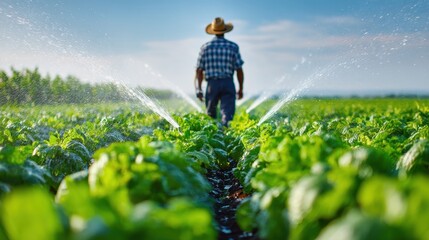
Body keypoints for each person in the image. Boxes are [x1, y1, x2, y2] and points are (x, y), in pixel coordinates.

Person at [195, 17, 244, 127]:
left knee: (211, 114)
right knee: (227, 113)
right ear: (225, 30)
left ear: (213, 31)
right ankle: (226, 134)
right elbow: (239, 69)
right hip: (228, 83)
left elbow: (199, 70)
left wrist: (198, 89)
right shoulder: (233, 47)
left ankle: (214, 137)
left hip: (212, 85)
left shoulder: (205, 48)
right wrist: (240, 89)